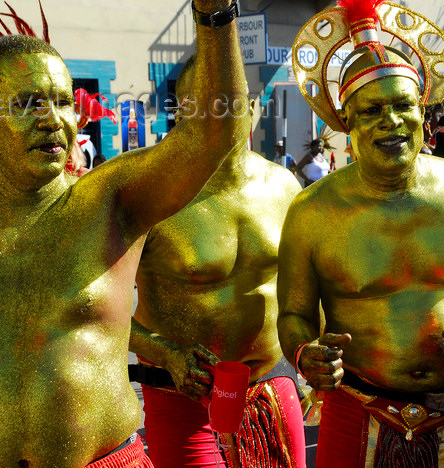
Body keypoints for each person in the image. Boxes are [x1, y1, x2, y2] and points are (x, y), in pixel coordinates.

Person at [0, 0, 248, 465]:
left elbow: (212, 133)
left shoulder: (110, 201)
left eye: (63, 101)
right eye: (27, 103)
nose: (52, 119)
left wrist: (216, 13)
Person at [282, 1, 444, 466]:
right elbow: (293, 313)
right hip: (358, 410)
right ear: (346, 122)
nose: (390, 122)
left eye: (402, 106)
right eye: (371, 110)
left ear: (423, 111)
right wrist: (305, 353)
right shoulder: (311, 212)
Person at [129, 55, 305, 468]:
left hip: (270, 384)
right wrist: (167, 354)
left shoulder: (283, 186)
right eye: (208, 101)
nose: (224, 113)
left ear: (254, 107)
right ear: (181, 109)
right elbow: (93, 305)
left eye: (236, 99)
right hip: (181, 396)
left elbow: (305, 287)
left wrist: (309, 350)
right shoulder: (145, 191)